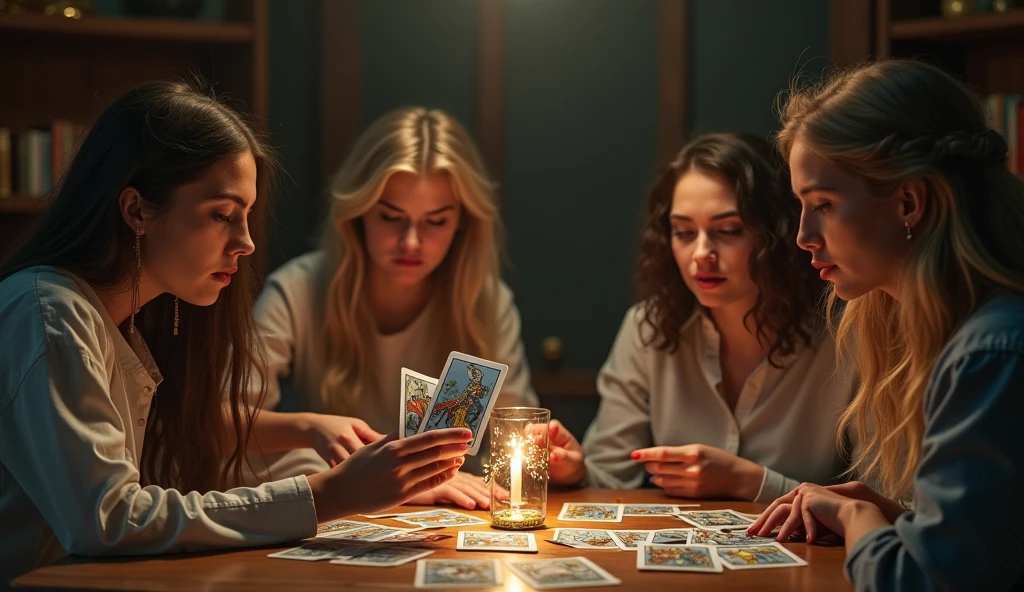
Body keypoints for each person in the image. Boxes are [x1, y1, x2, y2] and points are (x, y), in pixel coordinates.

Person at [0, 80, 469, 587]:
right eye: (222, 215)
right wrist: (330, 494)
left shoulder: (123, 322)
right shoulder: (48, 313)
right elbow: (110, 520)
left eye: (246, 216)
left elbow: (177, 436)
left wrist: (314, 435)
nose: (245, 243)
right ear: (136, 210)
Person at [747, 59, 1024, 590]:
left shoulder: (989, 353)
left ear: (909, 201)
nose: (804, 234)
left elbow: (921, 582)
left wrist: (858, 519)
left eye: (823, 204)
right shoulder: (952, 333)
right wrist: (895, 516)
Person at [241, 106, 538, 510]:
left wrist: (553, 459)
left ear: (463, 224)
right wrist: (387, 482)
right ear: (358, 212)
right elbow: (226, 424)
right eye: (391, 216)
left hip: (451, 516)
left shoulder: (487, 300)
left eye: (435, 221)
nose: (411, 241)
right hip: (335, 510)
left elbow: (511, 444)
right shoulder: (296, 291)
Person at [545, 132, 855, 502]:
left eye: (728, 231)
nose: (702, 253)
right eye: (684, 232)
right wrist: (576, 470)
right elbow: (609, 476)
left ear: (778, 233)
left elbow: (887, 506)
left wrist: (749, 482)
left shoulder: (846, 335)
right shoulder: (648, 327)